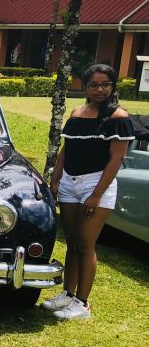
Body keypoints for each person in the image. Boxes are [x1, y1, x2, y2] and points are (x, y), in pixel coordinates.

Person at [42, 64, 135, 320]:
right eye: (93, 85)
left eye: (106, 84)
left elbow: (116, 160)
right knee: (71, 241)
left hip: (97, 185)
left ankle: (83, 304)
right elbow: (67, 149)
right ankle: (68, 294)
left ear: (113, 87)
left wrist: (95, 194)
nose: (100, 89)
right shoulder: (77, 112)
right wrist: (56, 178)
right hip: (70, 184)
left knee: (85, 244)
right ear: (83, 87)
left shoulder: (118, 117)